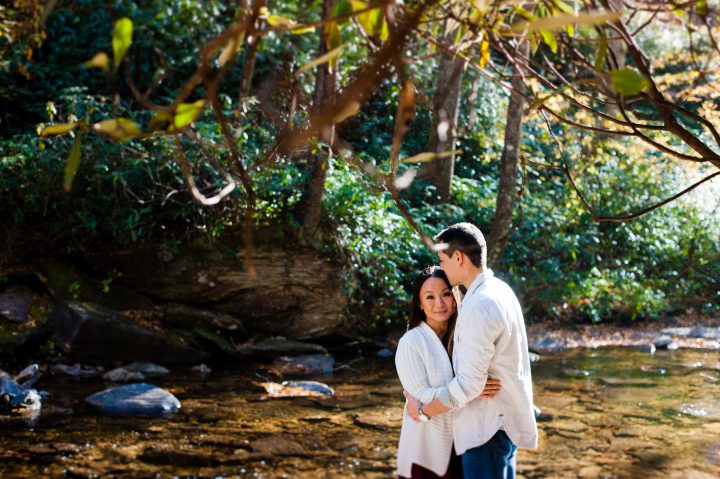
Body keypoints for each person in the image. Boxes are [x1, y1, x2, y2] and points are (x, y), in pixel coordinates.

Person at [404, 223, 538, 479]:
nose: (441, 267)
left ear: (458, 257)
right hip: (499, 427)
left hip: (486, 430)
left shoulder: (480, 304)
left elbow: (468, 385)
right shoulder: (499, 290)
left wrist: (423, 412)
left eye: (442, 260)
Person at [395, 266, 502, 479]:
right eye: (430, 297)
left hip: (465, 439)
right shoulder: (411, 342)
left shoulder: (465, 334)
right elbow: (421, 396)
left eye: (445, 294)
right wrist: (470, 390)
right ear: (420, 303)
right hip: (426, 446)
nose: (439, 303)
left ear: (455, 296)